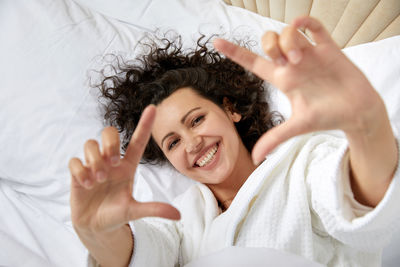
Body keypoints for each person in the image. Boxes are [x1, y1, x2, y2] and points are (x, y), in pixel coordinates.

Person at [68, 16, 400, 267]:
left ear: (230, 110)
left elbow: (359, 203)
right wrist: (98, 232)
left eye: (196, 120)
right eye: (172, 143)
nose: (192, 144)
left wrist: (367, 125)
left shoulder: (301, 166)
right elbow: (145, 256)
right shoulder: (180, 218)